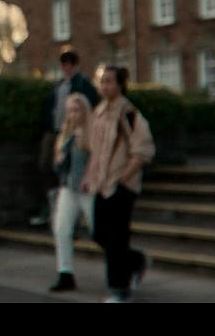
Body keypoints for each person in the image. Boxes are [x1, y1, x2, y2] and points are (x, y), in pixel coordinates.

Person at [82, 66, 155, 303]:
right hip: (101, 185)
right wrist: (88, 176)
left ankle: (119, 290)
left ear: (120, 84)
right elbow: (95, 151)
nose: (105, 86)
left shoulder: (129, 113)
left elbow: (143, 150)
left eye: (109, 81)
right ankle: (135, 260)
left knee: (116, 239)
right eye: (102, 81)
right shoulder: (99, 111)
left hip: (122, 186)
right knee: (99, 234)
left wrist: (124, 177)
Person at [33, 48, 101, 226]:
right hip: (55, 131)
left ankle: (74, 213)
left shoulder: (83, 84)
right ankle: (51, 206)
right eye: (64, 65)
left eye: (70, 64)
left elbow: (91, 106)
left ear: (75, 66)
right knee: (47, 165)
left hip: (74, 131)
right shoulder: (58, 85)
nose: (66, 68)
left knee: (71, 167)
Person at [49, 92, 95, 292]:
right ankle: (65, 273)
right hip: (68, 188)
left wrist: (89, 177)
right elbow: (58, 167)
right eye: (69, 111)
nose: (72, 115)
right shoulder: (65, 135)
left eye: (76, 110)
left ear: (85, 111)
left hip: (87, 189)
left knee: (99, 232)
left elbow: (97, 159)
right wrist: (59, 159)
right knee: (61, 229)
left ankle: (129, 262)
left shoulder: (91, 133)